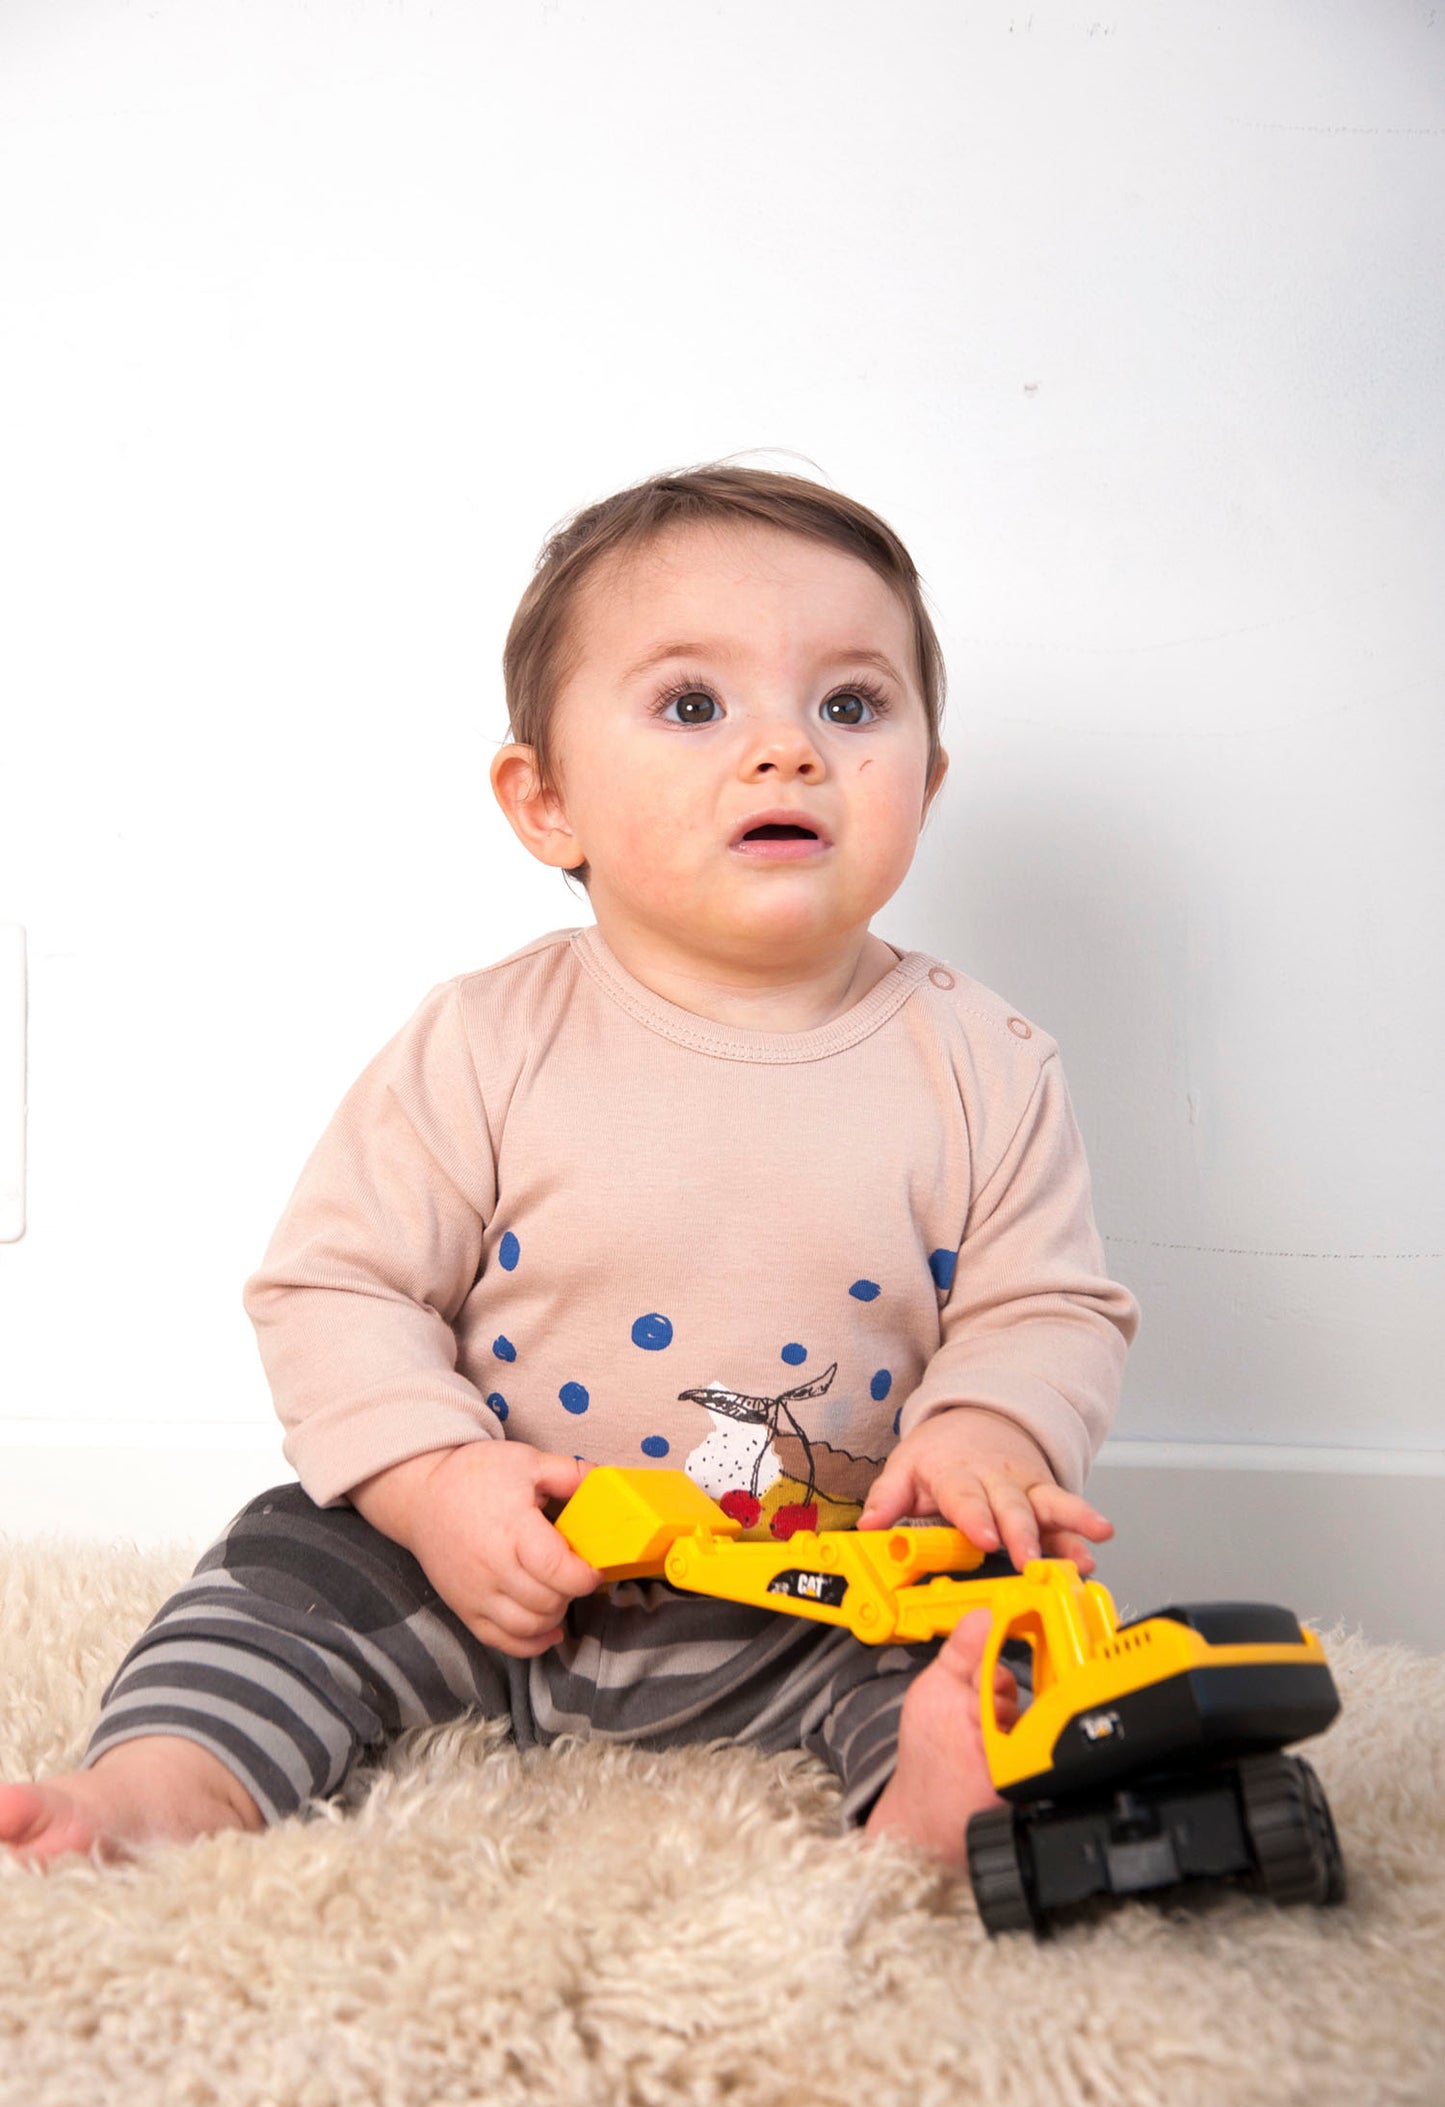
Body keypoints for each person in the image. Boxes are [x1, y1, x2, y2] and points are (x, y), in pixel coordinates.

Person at [0, 461, 1139, 1871]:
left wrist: (991, 1438)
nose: (786, 750)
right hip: (484, 1564)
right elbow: (334, 1287)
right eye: (692, 706)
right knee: (280, 1576)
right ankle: (157, 1794)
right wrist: (431, 1483)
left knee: (979, 1623)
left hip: (811, 1581)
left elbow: (1044, 1308)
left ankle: (932, 1808)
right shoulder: (487, 1038)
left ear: (927, 779)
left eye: (851, 706)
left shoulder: (985, 1062)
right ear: (546, 805)